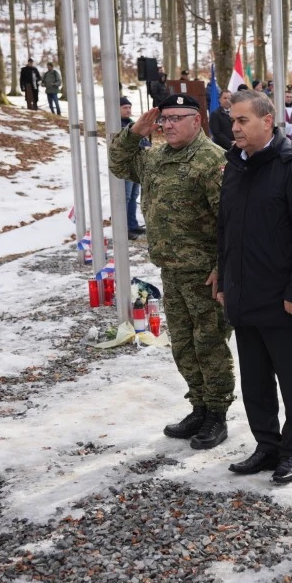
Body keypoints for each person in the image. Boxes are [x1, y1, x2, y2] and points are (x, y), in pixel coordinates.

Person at [109, 93, 235, 448]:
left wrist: (221, 267)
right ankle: (198, 405)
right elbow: (119, 163)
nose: (168, 125)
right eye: (164, 119)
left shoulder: (213, 160)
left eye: (178, 118)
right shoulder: (155, 157)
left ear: (197, 122)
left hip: (205, 275)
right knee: (182, 344)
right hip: (172, 271)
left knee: (209, 345)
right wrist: (135, 132)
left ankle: (217, 414)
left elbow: (233, 221)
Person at [217, 90, 292, 484]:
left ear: (268, 121)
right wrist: (223, 276)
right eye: (232, 120)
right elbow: (226, 229)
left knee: (290, 379)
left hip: (282, 299)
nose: (234, 128)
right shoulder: (235, 165)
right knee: (254, 378)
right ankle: (266, 444)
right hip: (243, 294)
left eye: (243, 120)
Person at [118, 96, 147, 238]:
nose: (128, 110)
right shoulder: (118, 125)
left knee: (134, 196)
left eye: (129, 107)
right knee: (125, 197)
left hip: (136, 166)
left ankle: (132, 224)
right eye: (125, 108)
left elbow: (143, 141)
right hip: (126, 166)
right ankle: (123, 228)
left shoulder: (132, 123)